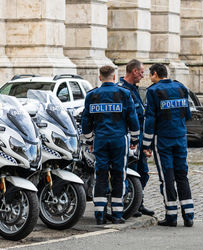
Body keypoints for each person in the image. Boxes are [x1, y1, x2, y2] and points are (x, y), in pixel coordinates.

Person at [81, 65, 140, 225]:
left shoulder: (91, 95)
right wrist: (135, 140)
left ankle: (99, 215)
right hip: (119, 140)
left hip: (100, 140)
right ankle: (117, 214)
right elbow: (133, 119)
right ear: (114, 78)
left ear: (100, 77)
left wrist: (90, 141)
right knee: (118, 175)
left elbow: (85, 122)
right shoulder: (124, 94)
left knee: (100, 175)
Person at [142, 63, 194, 227]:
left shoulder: (153, 90)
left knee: (167, 177)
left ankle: (171, 216)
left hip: (163, 140)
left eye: (150, 75)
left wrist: (146, 144)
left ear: (155, 74)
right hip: (180, 137)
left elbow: (150, 119)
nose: (150, 78)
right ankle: (189, 215)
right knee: (182, 175)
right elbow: (188, 114)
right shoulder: (181, 87)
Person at [118, 59, 154, 217]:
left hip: (138, 137)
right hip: (128, 137)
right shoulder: (122, 90)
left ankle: (138, 202)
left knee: (143, 172)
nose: (143, 75)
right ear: (134, 71)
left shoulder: (134, 90)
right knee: (131, 172)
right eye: (141, 72)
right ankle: (129, 203)